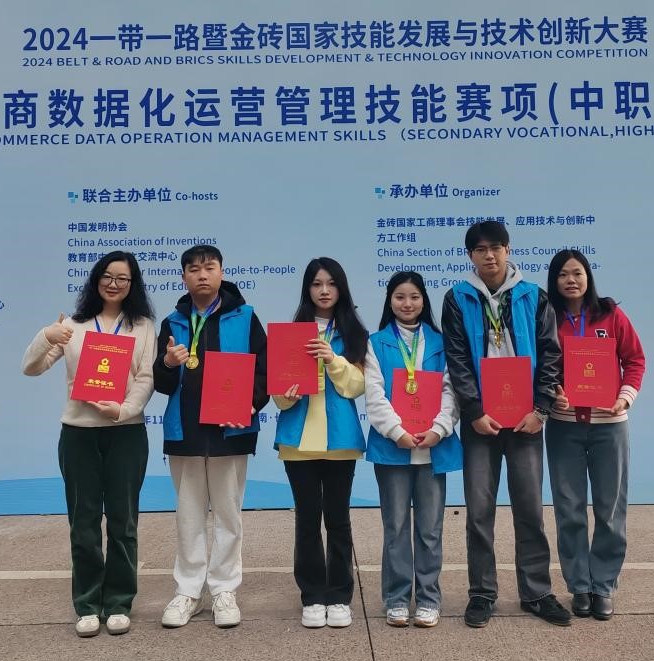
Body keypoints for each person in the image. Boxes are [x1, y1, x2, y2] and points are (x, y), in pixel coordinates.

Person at [21, 251, 156, 638]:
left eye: (122, 278)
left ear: (132, 285)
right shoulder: (72, 325)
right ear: (96, 279)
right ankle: (87, 602)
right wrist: (47, 336)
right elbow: (31, 367)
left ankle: (119, 602)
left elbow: (146, 377)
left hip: (126, 432)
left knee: (123, 521)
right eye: (107, 276)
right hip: (78, 433)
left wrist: (124, 410)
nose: (114, 284)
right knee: (83, 521)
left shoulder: (143, 326)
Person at [441, 220, 568, 628]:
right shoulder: (457, 298)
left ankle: (537, 592)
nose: (489, 255)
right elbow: (457, 359)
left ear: (508, 250)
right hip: (481, 423)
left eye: (496, 247)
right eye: (480, 250)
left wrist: (541, 409)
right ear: (470, 256)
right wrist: (474, 411)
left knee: (529, 508)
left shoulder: (533, 296)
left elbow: (551, 354)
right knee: (479, 511)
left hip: (526, 419)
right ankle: (482, 592)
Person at [152, 245, 268, 629]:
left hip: (230, 430)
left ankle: (223, 589)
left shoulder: (245, 318)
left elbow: (264, 369)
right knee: (188, 515)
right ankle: (187, 590)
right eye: (193, 269)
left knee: (228, 514)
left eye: (209, 267)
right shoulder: (172, 322)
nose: (202, 275)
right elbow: (161, 383)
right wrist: (167, 363)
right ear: (183, 276)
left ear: (221, 272)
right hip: (185, 430)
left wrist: (252, 402)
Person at [545, 249, 645, 622]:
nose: (571, 280)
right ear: (554, 281)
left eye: (577, 273)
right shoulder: (548, 318)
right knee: (569, 509)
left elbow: (635, 360)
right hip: (564, 426)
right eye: (563, 274)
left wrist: (624, 397)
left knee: (610, 509)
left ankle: (603, 586)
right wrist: (552, 392)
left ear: (588, 276)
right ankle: (579, 586)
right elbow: (540, 366)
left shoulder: (610, 314)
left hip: (609, 426)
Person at [272, 257, 368, 629]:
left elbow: (356, 387)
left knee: (339, 520)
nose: (324, 291)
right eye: (316, 284)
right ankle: (312, 595)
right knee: (308, 520)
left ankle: (340, 595)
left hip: (340, 441)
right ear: (307, 289)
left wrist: (333, 360)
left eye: (331, 283)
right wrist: (287, 396)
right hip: (298, 442)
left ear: (341, 288)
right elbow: (278, 396)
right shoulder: (291, 332)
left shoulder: (355, 332)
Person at [364, 271, 462, 629]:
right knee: (396, 527)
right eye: (400, 297)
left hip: (433, 448)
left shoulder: (441, 341)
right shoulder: (376, 343)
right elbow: (374, 394)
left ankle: (429, 598)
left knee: (430, 529)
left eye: (414, 297)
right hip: (393, 449)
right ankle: (396, 598)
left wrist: (439, 429)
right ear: (389, 300)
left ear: (424, 300)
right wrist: (397, 431)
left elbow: (452, 389)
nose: (407, 304)